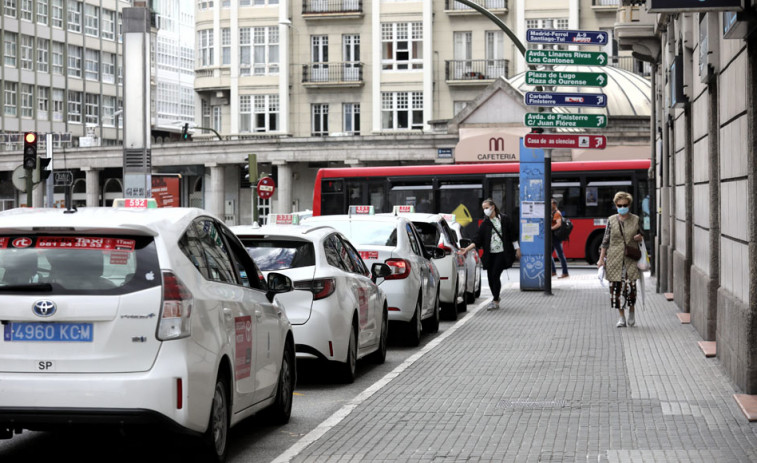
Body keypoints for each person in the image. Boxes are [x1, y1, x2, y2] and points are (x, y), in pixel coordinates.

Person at [458, 198, 520, 311]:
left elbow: (513, 235)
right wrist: (466, 249)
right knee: (491, 277)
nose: (485, 210)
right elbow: (477, 240)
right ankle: (495, 297)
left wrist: (517, 249)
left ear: (493, 207)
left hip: (502, 253)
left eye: (486, 208)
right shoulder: (485, 224)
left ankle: (495, 300)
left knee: (495, 274)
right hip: (490, 254)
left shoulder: (505, 220)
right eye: (483, 209)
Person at [597, 191, 645, 328]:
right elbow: (605, 241)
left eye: (625, 205)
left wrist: (640, 237)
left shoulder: (635, 219)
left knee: (630, 288)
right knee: (615, 290)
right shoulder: (611, 220)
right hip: (614, 259)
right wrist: (601, 260)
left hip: (630, 258)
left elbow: (643, 233)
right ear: (616, 205)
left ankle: (631, 313)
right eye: (619, 205)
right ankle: (621, 317)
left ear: (629, 205)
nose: (622, 207)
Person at [550, 198, 569, 279]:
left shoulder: (557, 213)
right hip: (553, 236)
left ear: (554, 204)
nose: (549, 205)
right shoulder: (553, 212)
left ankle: (565, 272)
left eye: (550, 203)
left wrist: (550, 228)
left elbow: (559, 224)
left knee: (560, 255)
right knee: (548, 254)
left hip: (556, 237)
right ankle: (553, 271)